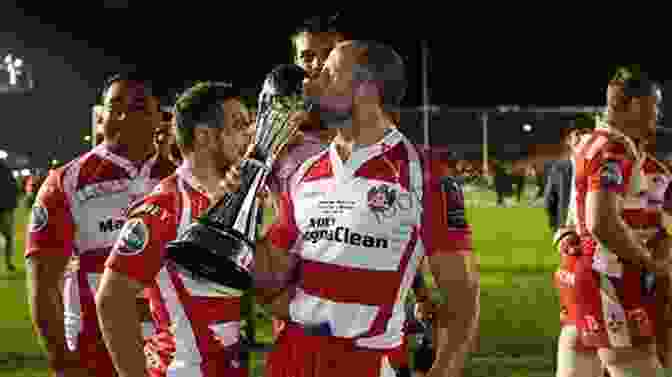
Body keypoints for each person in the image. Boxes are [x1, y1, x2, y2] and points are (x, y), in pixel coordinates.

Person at [236, 40, 478, 377]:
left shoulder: (423, 175)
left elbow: (462, 299)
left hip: (364, 363)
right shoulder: (305, 172)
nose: (308, 83)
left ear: (364, 91)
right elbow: (269, 276)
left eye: (327, 74)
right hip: (291, 357)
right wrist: (237, 212)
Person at [96, 81, 255, 377]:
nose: (249, 133)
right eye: (239, 125)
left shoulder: (236, 201)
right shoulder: (166, 206)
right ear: (205, 136)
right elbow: (112, 300)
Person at [24, 72, 175, 377]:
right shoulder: (65, 183)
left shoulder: (183, 180)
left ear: (160, 118)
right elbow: (43, 283)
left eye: (138, 107)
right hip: (93, 351)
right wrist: (61, 359)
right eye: (114, 106)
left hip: (174, 352)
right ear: (100, 116)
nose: (123, 115)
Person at [572, 71, 669, 377]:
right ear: (635, 105)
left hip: (584, 274)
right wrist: (649, 263)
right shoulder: (615, 149)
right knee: (637, 366)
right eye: (655, 105)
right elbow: (601, 220)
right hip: (608, 277)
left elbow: (579, 217)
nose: (658, 113)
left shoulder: (590, 141)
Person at [0, 159, 18, 272]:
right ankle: (8, 263)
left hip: (5, 207)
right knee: (8, 237)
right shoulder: (6, 170)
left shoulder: (5, 170)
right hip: (5, 208)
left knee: (8, 237)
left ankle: (8, 263)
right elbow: (14, 188)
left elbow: (13, 188)